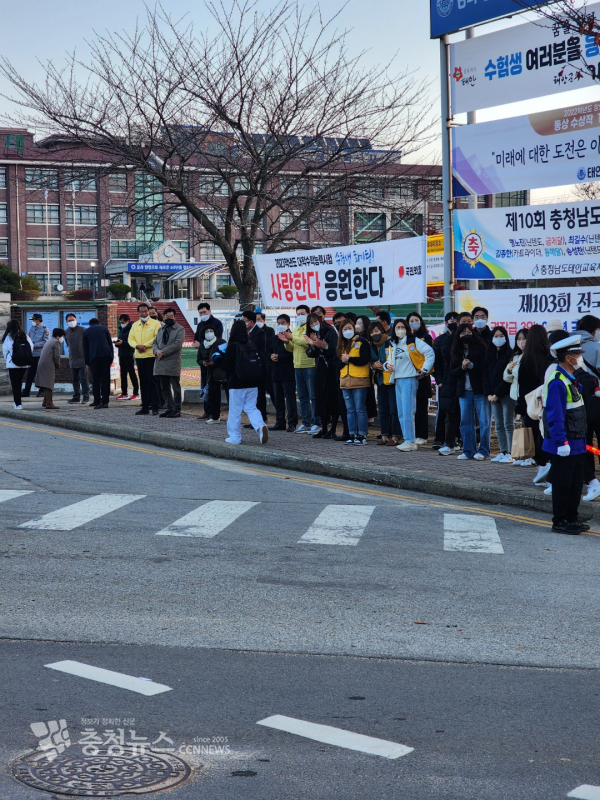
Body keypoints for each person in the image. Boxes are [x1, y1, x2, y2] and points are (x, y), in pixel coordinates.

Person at [542, 335, 590, 534]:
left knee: (576, 483)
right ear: (568, 357)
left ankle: (572, 517)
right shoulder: (557, 382)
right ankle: (560, 521)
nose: (580, 358)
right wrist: (561, 442)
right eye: (577, 354)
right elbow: (556, 416)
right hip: (565, 443)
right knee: (563, 484)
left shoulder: (571, 379)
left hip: (577, 442)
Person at [388, 317, 435, 452]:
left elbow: (430, 353)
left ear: (407, 329)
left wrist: (424, 369)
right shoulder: (393, 344)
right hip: (397, 379)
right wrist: (387, 366)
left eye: (403, 327)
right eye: (398, 327)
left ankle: (410, 441)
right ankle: (407, 439)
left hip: (409, 379)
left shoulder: (413, 341)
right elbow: (388, 361)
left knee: (408, 411)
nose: (400, 330)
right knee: (401, 413)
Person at [219, 319, 268, 445]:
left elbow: (227, 366)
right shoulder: (251, 344)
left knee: (235, 411)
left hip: (237, 383)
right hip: (253, 382)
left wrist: (219, 358)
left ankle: (234, 436)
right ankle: (260, 426)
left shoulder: (232, 346)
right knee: (251, 407)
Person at [516, 323, 553, 481]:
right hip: (547, 403)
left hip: (530, 405)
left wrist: (520, 408)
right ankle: (548, 464)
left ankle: (542, 465)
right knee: (546, 435)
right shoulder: (549, 357)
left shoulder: (525, 360)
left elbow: (522, 387)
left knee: (533, 435)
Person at [449, 322, 490, 460]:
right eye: (463, 333)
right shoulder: (456, 351)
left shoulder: (481, 348)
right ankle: (468, 450)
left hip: (479, 391)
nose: (466, 335)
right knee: (466, 422)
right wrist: (462, 367)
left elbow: (485, 368)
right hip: (464, 392)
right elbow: (453, 372)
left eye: (468, 332)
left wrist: (471, 365)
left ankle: (483, 450)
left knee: (484, 422)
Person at [282, 304, 319, 434]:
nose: (300, 316)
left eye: (303, 314)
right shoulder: (296, 329)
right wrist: (287, 342)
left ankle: (316, 422)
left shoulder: (311, 328)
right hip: (297, 366)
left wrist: (292, 338)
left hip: (309, 365)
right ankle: (306, 423)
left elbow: (306, 342)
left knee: (313, 396)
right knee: (302, 397)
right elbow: (292, 348)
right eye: (298, 314)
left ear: (308, 314)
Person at [482, 326, 514, 463]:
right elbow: (485, 376)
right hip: (492, 396)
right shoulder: (489, 354)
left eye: (501, 336)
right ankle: (503, 451)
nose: (498, 338)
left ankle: (512, 453)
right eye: (496, 336)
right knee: (499, 424)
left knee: (508, 423)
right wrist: (488, 394)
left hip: (506, 394)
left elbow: (508, 378)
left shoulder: (510, 355)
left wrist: (497, 394)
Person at [305, 312, 339, 438]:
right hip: (319, 368)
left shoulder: (330, 330)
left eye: (315, 321)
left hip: (331, 368)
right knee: (320, 397)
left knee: (331, 397)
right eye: (311, 323)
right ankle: (324, 427)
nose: (314, 324)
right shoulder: (311, 334)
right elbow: (310, 353)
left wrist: (323, 345)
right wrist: (313, 345)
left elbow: (333, 349)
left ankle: (333, 429)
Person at [337, 318, 371, 445]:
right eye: (344, 329)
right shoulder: (340, 344)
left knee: (360, 408)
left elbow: (365, 359)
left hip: (359, 379)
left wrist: (350, 359)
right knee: (350, 409)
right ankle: (352, 434)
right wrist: (343, 361)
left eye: (349, 328)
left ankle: (362, 434)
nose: (347, 331)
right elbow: (336, 364)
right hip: (345, 380)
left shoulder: (362, 342)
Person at [370, 320, 401, 446]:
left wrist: (383, 365)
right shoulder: (371, 345)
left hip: (392, 380)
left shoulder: (390, 342)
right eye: (372, 332)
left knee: (394, 409)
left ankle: (395, 436)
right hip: (380, 380)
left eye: (376, 331)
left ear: (382, 330)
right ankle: (384, 435)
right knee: (382, 409)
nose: (374, 334)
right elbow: (370, 360)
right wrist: (373, 365)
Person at [128, 303, 162, 416]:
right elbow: (130, 339)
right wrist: (136, 346)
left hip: (151, 356)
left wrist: (144, 345)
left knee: (152, 382)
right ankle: (145, 406)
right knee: (143, 382)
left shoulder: (155, 324)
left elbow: (157, 337)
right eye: (141, 311)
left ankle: (155, 406)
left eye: (146, 311)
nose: (144, 313)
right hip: (139, 356)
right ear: (138, 313)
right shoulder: (135, 325)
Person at [192, 302, 224, 420]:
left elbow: (218, 340)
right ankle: (207, 410)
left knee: (214, 387)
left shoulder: (217, 323)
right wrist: (198, 344)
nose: (203, 314)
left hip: (215, 361)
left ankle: (215, 412)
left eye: (204, 312)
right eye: (200, 313)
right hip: (204, 360)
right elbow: (196, 339)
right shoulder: (200, 324)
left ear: (209, 311)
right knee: (204, 385)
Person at [432, 311, 459, 449]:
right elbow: (436, 362)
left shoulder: (461, 338)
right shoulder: (439, 340)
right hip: (444, 382)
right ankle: (439, 439)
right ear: (446, 322)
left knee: (458, 411)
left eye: (455, 320)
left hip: (458, 379)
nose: (453, 322)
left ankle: (457, 439)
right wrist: (439, 380)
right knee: (443, 410)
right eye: (450, 320)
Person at [406, 311, 434, 444]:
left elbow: (429, 355)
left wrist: (423, 370)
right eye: (411, 321)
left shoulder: (426, 337)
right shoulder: (405, 339)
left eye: (416, 320)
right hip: (408, 376)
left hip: (422, 376)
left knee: (421, 407)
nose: (414, 323)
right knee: (410, 407)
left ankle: (422, 435)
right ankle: (410, 433)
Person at [152, 307, 185, 418]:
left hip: (172, 362)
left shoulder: (180, 329)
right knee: (164, 387)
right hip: (160, 362)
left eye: (171, 316)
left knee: (175, 387)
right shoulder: (160, 329)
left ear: (174, 317)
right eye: (167, 316)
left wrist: (163, 352)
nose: (169, 318)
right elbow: (154, 343)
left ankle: (177, 409)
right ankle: (169, 407)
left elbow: (177, 344)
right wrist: (157, 351)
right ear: (164, 317)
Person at [268, 314, 298, 432]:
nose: (280, 325)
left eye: (283, 323)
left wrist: (279, 357)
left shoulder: (292, 337)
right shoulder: (274, 338)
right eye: (279, 323)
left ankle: (292, 422)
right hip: (276, 373)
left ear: (288, 324)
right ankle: (280, 421)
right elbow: (268, 351)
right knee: (278, 399)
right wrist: (271, 356)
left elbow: (293, 355)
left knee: (290, 399)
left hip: (288, 373)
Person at [241, 309, 267, 423]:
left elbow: (253, 347)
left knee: (259, 394)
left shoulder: (259, 333)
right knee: (252, 395)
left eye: (244, 321)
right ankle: (254, 420)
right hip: (248, 368)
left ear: (251, 321)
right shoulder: (245, 333)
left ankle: (261, 418)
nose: (243, 323)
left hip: (258, 367)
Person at [82, 318, 114, 409]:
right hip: (106, 355)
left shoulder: (86, 332)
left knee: (96, 380)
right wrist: (111, 357)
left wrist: (87, 362)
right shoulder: (104, 329)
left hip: (94, 357)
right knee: (105, 379)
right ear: (99, 323)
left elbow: (85, 348)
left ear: (90, 324)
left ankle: (97, 402)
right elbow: (110, 344)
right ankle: (105, 401)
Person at [198, 324, 227, 423]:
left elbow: (225, 356)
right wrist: (203, 362)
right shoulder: (202, 345)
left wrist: (215, 362)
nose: (209, 333)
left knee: (229, 395)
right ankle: (215, 416)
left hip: (222, 372)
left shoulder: (221, 342)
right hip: (209, 374)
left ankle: (233, 416)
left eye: (211, 331)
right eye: (207, 331)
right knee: (213, 395)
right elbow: (199, 358)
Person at [2, 319, 33, 409]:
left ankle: (18, 404)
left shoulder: (9, 337)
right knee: (20, 382)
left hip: (13, 364)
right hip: (24, 364)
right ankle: (18, 403)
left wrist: (8, 361)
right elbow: (31, 347)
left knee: (15, 384)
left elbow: (5, 351)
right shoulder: (25, 336)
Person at [35, 328, 65, 410]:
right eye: (62, 336)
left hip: (42, 363)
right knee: (49, 384)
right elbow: (57, 356)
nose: (62, 338)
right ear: (58, 336)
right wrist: (57, 365)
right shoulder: (56, 342)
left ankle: (45, 401)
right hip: (48, 364)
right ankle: (49, 403)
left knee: (45, 383)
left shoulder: (49, 341)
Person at [64, 313, 90, 405]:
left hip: (82, 358)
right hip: (72, 358)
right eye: (69, 321)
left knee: (84, 379)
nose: (71, 322)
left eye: (73, 320)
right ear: (66, 322)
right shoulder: (66, 332)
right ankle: (76, 396)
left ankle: (86, 396)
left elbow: (88, 343)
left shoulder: (83, 330)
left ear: (76, 320)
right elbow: (68, 344)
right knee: (75, 379)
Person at [23, 313, 50, 398]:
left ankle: (41, 391)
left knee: (41, 374)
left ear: (38, 320)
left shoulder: (45, 329)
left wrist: (34, 345)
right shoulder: (31, 328)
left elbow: (45, 341)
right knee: (30, 374)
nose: (33, 321)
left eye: (34, 320)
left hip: (40, 355)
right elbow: (28, 338)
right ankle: (26, 391)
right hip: (32, 355)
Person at [115, 314, 139, 400]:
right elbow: (121, 340)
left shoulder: (132, 329)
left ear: (128, 321)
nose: (122, 324)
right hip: (122, 354)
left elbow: (132, 342)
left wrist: (123, 343)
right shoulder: (121, 329)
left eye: (123, 322)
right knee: (123, 374)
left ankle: (136, 393)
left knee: (132, 373)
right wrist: (117, 343)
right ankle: (124, 393)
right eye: (121, 322)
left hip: (129, 354)